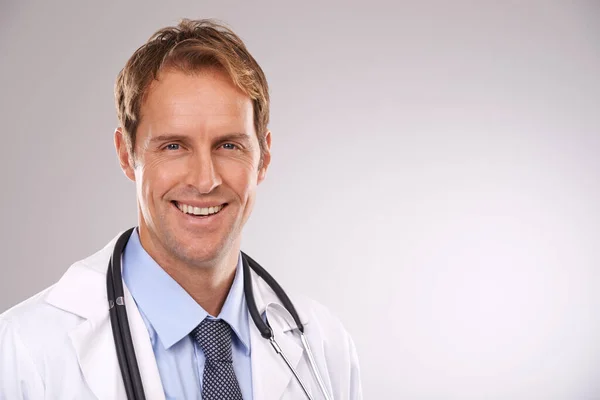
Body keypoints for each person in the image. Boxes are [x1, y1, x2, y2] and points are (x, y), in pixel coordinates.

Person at [0, 19, 362, 399]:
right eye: (174, 146)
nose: (204, 181)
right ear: (127, 155)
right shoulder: (24, 354)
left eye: (229, 145)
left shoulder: (322, 346)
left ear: (264, 157)